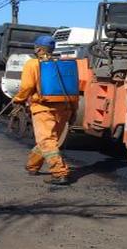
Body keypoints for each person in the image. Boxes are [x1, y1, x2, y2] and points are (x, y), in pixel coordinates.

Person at [12, 35, 78, 185]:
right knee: (49, 140)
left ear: (38, 49)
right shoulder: (64, 64)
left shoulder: (33, 64)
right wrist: (74, 110)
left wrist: (18, 100)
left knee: (47, 140)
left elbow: (27, 86)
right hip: (65, 107)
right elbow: (74, 89)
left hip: (43, 108)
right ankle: (32, 166)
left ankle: (59, 172)